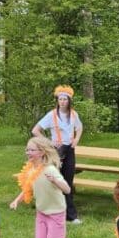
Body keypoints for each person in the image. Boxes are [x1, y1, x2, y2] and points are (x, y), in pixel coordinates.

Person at [10, 136, 81, 238]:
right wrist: (17, 200)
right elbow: (28, 187)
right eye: (27, 150)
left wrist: (55, 180)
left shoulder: (50, 170)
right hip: (41, 213)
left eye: (32, 150)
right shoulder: (31, 170)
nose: (28, 152)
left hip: (56, 213)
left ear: (42, 152)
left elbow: (67, 189)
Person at [31, 85, 83, 225]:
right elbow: (36, 130)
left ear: (69, 100)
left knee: (68, 181)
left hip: (69, 150)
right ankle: (51, 210)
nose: (62, 101)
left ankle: (71, 215)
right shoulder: (51, 115)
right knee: (54, 179)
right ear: (57, 100)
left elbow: (79, 127)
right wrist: (49, 143)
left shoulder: (73, 114)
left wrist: (76, 139)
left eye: (65, 99)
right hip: (57, 151)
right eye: (60, 99)